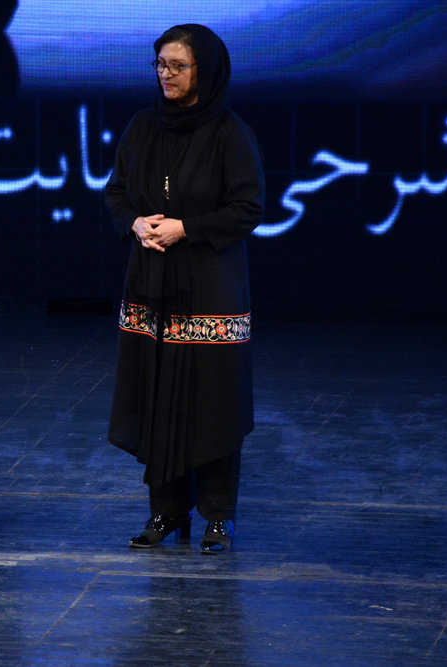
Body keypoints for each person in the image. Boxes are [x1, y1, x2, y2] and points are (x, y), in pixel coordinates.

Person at [104, 25, 265, 553]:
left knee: (213, 399)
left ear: (205, 71)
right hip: (151, 282)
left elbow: (248, 208)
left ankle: (218, 515)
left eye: (177, 66)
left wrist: (185, 229)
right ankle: (167, 510)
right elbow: (117, 191)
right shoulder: (142, 126)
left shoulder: (230, 133)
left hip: (210, 286)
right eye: (160, 64)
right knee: (157, 392)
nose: (165, 74)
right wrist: (135, 223)